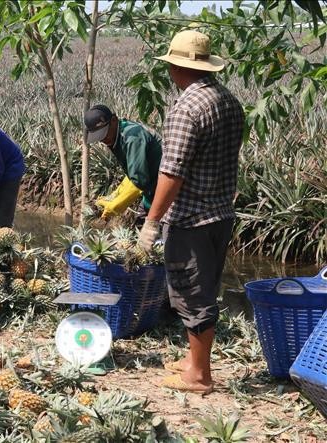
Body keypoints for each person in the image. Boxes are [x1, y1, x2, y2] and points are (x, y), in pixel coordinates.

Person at [137, 30, 245, 394]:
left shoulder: (186, 108)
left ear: (176, 68)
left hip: (191, 219)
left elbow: (172, 172)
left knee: (191, 294)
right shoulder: (228, 100)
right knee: (205, 289)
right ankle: (192, 360)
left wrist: (152, 221)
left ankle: (199, 375)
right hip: (220, 213)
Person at [84, 105, 162, 222]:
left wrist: (117, 205)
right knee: (141, 224)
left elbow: (139, 179)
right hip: (151, 191)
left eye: (104, 133)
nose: (103, 139)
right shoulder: (117, 137)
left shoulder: (132, 137)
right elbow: (133, 173)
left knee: (159, 233)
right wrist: (114, 195)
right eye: (99, 136)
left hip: (167, 193)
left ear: (114, 120)